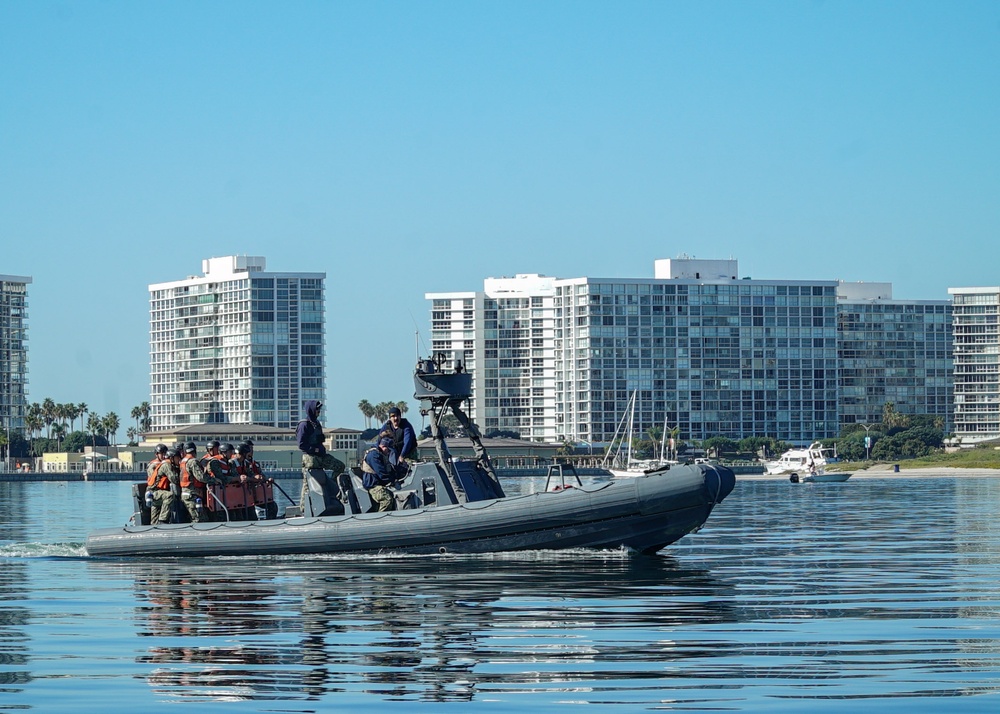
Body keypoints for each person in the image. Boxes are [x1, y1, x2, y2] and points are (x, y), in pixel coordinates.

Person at [296, 400, 344, 511]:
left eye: (319, 409)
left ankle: (331, 488)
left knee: (340, 466)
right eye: (317, 409)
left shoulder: (317, 424)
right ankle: (303, 509)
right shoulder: (304, 425)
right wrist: (315, 449)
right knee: (308, 483)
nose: (318, 411)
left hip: (322, 456)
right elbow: (301, 445)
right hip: (310, 458)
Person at [361, 436, 405, 512]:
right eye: (388, 450)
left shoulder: (379, 454)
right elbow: (381, 472)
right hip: (373, 485)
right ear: (384, 446)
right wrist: (391, 481)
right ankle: (380, 520)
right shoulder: (374, 455)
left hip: (377, 484)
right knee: (387, 500)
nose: (388, 452)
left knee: (392, 496)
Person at [179, 441, 213, 523]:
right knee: (200, 519)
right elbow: (201, 477)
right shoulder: (193, 462)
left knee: (196, 517)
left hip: (186, 493)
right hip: (192, 494)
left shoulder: (183, 461)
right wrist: (214, 480)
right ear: (194, 451)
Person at [148, 448, 182, 524]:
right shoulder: (166, 465)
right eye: (177, 458)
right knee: (169, 496)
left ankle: (158, 523)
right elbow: (174, 479)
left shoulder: (167, 464)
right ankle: (163, 520)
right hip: (155, 492)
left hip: (156, 492)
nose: (179, 460)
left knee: (154, 521)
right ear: (171, 458)